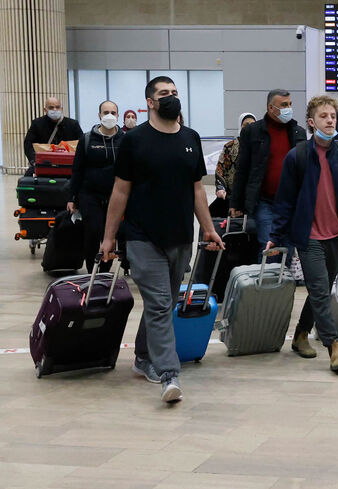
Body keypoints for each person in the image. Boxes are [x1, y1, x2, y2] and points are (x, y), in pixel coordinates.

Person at [99, 76, 224, 403]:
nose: (171, 98)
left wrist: (208, 228)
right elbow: (120, 191)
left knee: (163, 304)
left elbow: (197, 189)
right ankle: (169, 374)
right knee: (157, 304)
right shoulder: (135, 141)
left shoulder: (190, 139)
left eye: (174, 93)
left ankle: (142, 357)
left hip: (180, 236)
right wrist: (109, 237)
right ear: (150, 103)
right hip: (142, 238)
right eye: (164, 94)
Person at [266, 95, 338, 372]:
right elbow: (285, 201)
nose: (330, 120)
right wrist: (276, 236)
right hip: (309, 237)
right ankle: (333, 348)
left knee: (322, 290)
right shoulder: (297, 157)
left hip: (337, 236)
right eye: (324, 117)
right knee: (319, 290)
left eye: (333, 116)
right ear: (312, 123)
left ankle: (301, 335)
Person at [230, 89, 308, 257]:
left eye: (290, 104)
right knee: (268, 248)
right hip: (264, 201)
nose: (289, 108)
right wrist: (235, 203)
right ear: (271, 108)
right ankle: (265, 282)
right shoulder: (252, 132)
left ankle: (283, 282)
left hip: (291, 204)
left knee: (287, 249)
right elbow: (242, 169)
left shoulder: (298, 133)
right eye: (284, 105)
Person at [68, 100, 124, 273]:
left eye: (113, 112)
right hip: (89, 194)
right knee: (93, 231)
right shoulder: (86, 139)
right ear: (99, 115)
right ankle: (92, 270)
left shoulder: (126, 140)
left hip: (115, 195)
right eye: (105, 112)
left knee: (110, 234)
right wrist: (72, 198)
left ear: (118, 115)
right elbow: (77, 170)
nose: (109, 116)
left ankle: (105, 272)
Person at [211, 113, 256, 217]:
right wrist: (221, 188)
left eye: (252, 124)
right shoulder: (229, 147)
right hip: (231, 196)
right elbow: (220, 168)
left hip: (254, 197)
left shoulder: (260, 146)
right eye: (246, 124)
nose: (249, 127)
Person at [23, 96, 83, 172]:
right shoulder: (37, 124)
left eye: (57, 107)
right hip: (44, 165)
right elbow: (28, 144)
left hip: (68, 166)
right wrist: (34, 161)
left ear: (62, 109)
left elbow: (82, 144)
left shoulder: (73, 124)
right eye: (51, 108)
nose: (55, 110)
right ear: (45, 110)